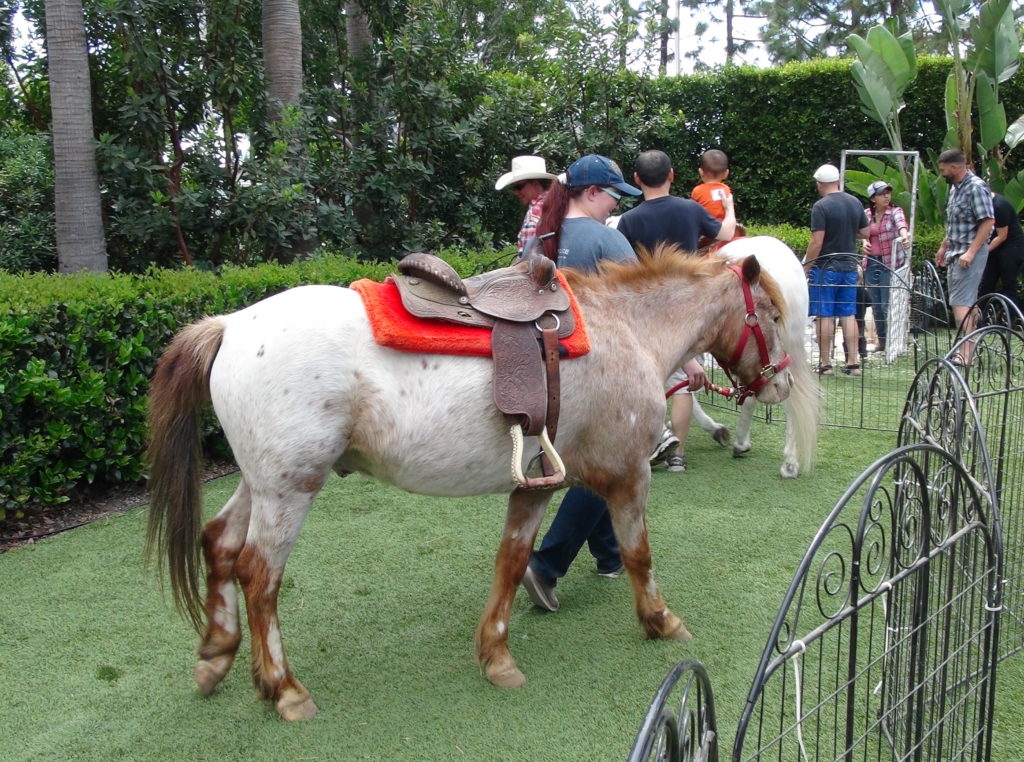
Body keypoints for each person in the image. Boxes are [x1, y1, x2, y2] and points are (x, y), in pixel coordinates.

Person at [520, 153, 642, 612]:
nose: (615, 206)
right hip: (597, 377)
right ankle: (547, 564)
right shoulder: (608, 243)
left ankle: (609, 554)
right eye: (613, 196)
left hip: (541, 375)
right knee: (607, 470)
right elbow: (641, 314)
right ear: (591, 193)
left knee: (600, 466)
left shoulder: (539, 238)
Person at [617, 149, 735, 473]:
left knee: (647, 378)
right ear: (672, 175)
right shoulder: (690, 209)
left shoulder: (628, 221)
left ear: (637, 179)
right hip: (686, 308)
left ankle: (643, 446)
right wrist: (729, 208)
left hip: (646, 310)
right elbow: (726, 233)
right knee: (683, 381)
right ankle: (677, 455)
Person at [804, 163, 869, 376]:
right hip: (850, 266)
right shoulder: (855, 202)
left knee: (825, 316)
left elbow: (817, 242)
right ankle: (853, 363)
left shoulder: (821, 206)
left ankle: (825, 364)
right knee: (848, 314)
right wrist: (848, 232)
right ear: (838, 181)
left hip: (826, 267)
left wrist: (807, 267)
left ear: (819, 184)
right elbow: (865, 232)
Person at [935, 149, 995, 365]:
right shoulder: (955, 189)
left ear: (955, 167)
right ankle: (968, 345)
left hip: (969, 255)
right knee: (964, 303)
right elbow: (955, 225)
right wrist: (944, 247)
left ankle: (964, 354)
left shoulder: (976, 188)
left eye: (943, 170)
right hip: (955, 253)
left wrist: (971, 251)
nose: (941, 174)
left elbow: (988, 221)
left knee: (961, 304)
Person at [861, 180, 910, 353]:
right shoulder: (867, 214)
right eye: (882, 193)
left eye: (888, 192)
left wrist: (904, 236)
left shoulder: (895, 212)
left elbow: (901, 224)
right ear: (873, 198)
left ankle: (893, 342)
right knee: (875, 305)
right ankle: (882, 342)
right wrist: (863, 241)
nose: (886, 196)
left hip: (889, 263)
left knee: (886, 304)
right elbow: (861, 232)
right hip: (871, 262)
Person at [494, 155, 558, 255]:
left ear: (536, 184)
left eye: (519, 187)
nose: (516, 192)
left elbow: (528, 261)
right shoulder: (558, 203)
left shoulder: (534, 215)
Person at [979, 191, 1024, 312]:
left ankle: (1010, 321)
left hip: (1011, 248)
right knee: (985, 285)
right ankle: (980, 319)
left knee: (1009, 287)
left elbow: (1002, 236)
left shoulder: (999, 206)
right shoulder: (984, 206)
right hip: (995, 249)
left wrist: (981, 252)